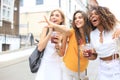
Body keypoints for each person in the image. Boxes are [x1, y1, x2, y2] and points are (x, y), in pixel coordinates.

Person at [45, 10, 92, 80]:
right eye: (75, 18)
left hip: (81, 71)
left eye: (80, 17)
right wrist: (57, 46)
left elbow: (94, 55)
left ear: (85, 19)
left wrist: (91, 55)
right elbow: (61, 53)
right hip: (67, 69)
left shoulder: (91, 34)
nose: (77, 20)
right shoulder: (71, 32)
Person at [83, 6, 120, 80]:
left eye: (96, 13)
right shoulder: (92, 34)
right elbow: (95, 56)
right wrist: (89, 56)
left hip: (116, 65)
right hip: (102, 68)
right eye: (90, 15)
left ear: (103, 15)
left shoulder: (115, 28)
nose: (92, 16)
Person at [35, 9, 67, 80]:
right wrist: (50, 32)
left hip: (57, 65)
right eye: (52, 15)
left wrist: (58, 45)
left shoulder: (64, 32)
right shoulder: (46, 29)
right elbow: (40, 48)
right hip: (45, 64)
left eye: (57, 15)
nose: (53, 17)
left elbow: (62, 54)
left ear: (61, 19)